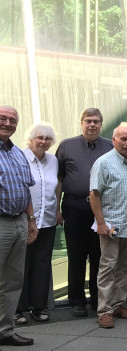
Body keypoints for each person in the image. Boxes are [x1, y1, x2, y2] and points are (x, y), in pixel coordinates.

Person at [56, 107, 112, 317]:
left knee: (100, 255)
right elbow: (59, 179)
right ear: (81, 123)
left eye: (96, 121)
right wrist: (56, 209)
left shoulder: (109, 146)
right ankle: (77, 301)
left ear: (101, 124)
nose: (92, 124)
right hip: (75, 207)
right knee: (76, 256)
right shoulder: (66, 146)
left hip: (102, 210)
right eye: (88, 121)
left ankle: (99, 299)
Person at [90, 122, 127, 329]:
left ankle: (118, 304)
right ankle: (104, 311)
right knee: (107, 268)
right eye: (123, 139)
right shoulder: (103, 163)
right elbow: (94, 195)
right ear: (114, 140)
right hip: (111, 226)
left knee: (124, 268)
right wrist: (101, 223)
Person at [0, 105, 37, 350]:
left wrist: (31, 220)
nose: (8, 123)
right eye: (2, 118)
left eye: (12, 120)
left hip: (19, 222)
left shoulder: (18, 154)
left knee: (13, 281)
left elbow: (27, 189)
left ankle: (5, 331)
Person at [16, 123, 58, 324]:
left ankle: (37, 307)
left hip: (48, 220)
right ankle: (17, 309)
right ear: (31, 139)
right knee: (20, 265)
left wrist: (58, 210)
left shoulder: (53, 160)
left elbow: (55, 188)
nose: (43, 142)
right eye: (39, 137)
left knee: (41, 264)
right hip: (24, 220)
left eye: (47, 139)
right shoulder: (20, 157)